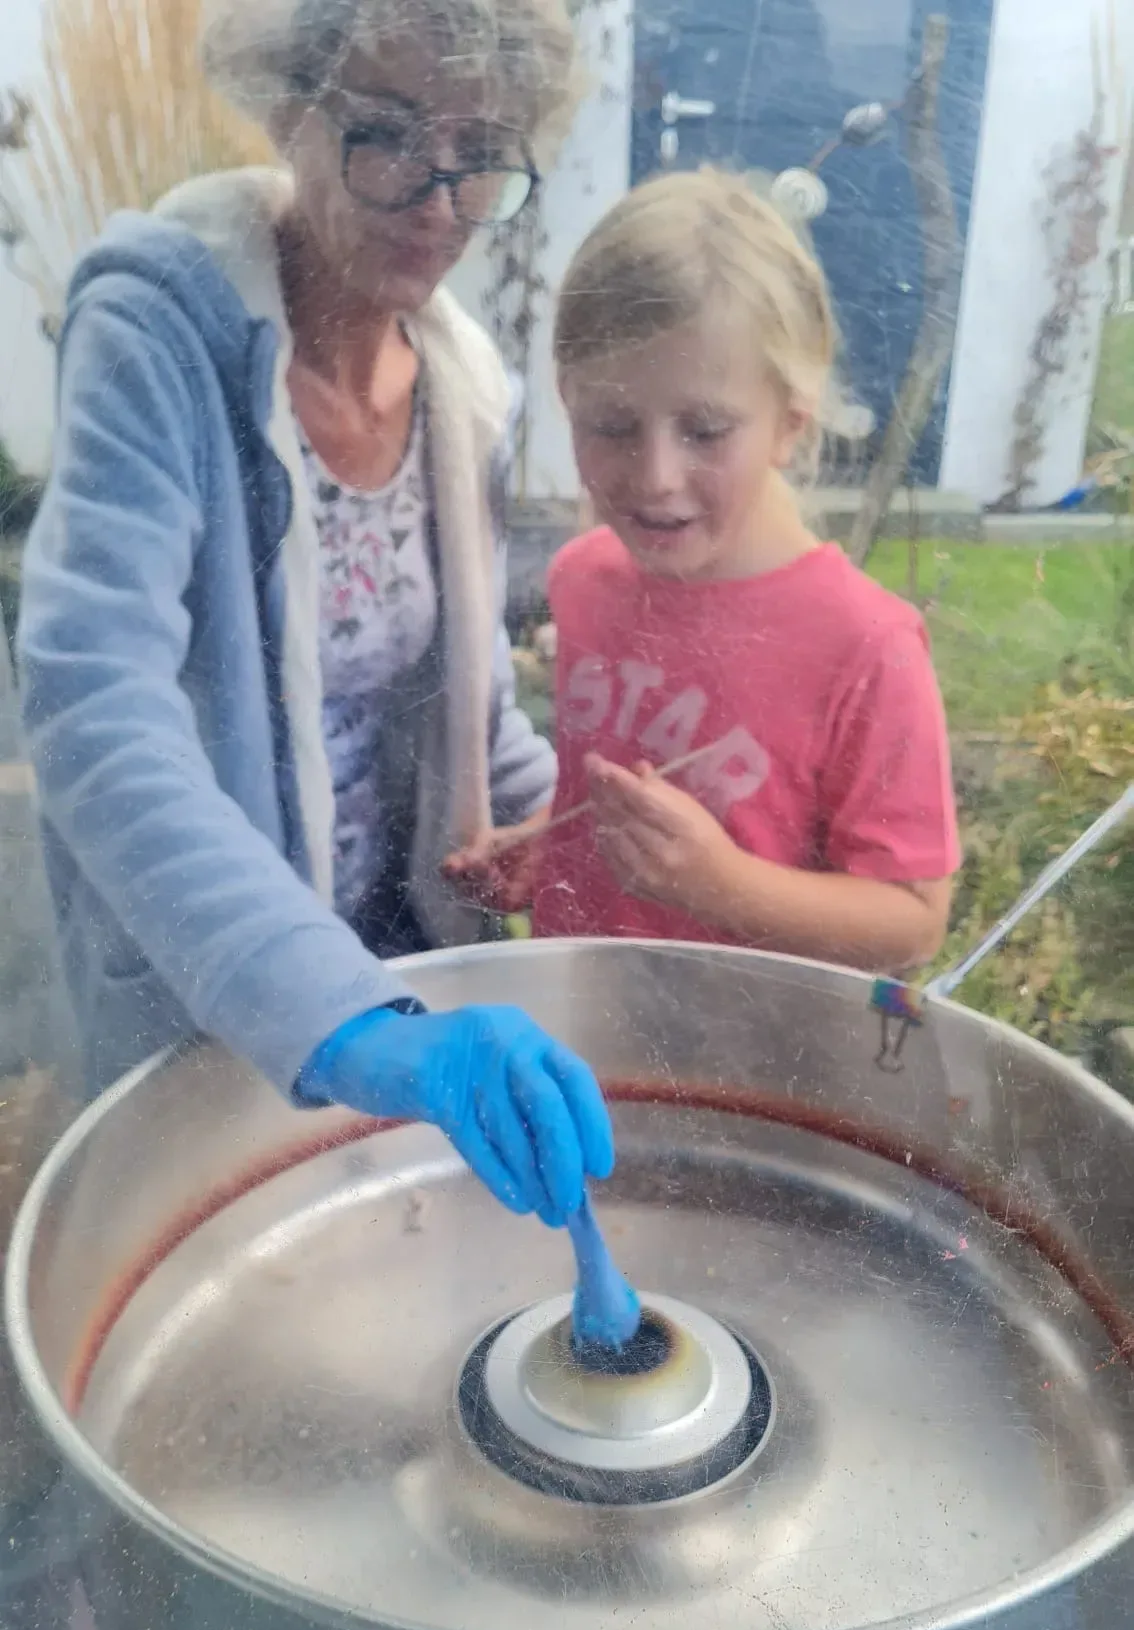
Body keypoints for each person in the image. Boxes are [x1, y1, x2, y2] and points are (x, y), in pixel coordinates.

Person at [17, 0, 613, 1228]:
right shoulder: (160, 336)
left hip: (407, 960)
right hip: (219, 983)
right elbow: (94, 703)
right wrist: (340, 1018)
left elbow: (467, 704)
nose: (440, 200)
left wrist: (568, 826)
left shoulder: (463, 386)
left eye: (484, 149)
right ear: (288, 105)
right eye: (389, 134)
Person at [449, 169, 959, 973]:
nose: (654, 475)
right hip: (583, 1015)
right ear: (567, 402)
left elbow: (913, 921)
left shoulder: (866, 645)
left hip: (747, 1055)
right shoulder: (585, 579)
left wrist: (724, 888)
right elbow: (620, 782)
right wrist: (551, 839)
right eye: (612, 425)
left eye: (706, 430)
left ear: (789, 424)